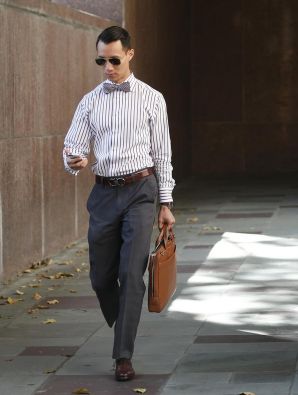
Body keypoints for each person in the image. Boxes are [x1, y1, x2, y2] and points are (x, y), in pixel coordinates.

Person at [62, 26, 175, 382]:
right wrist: (74, 159)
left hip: (141, 190)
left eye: (114, 59)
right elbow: (72, 146)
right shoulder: (90, 100)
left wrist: (166, 202)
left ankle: (122, 355)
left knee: (131, 274)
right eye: (101, 60)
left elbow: (162, 154)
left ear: (129, 54)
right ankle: (125, 319)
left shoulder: (152, 98)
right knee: (100, 277)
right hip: (103, 194)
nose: (108, 67)